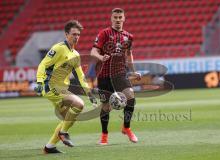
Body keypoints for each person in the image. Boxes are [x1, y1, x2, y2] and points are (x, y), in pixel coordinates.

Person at [35, 20, 96, 154]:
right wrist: (39, 82)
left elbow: (81, 77)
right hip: (50, 86)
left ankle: (49, 147)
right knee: (78, 104)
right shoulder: (58, 48)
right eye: (73, 34)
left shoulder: (76, 54)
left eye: (78, 34)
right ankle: (63, 133)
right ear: (66, 34)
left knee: (68, 119)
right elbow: (43, 64)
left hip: (61, 88)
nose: (76, 37)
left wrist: (89, 93)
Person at [90, 8, 141, 145]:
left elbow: (129, 55)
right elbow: (93, 51)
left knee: (130, 97)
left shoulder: (129, 37)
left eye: (120, 17)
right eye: (115, 17)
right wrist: (101, 56)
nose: (118, 20)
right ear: (111, 19)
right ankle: (104, 136)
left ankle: (126, 127)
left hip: (120, 73)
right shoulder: (104, 33)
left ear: (124, 18)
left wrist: (133, 71)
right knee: (106, 107)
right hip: (104, 75)